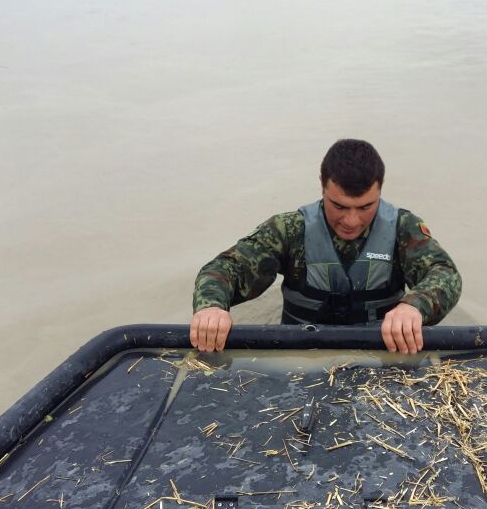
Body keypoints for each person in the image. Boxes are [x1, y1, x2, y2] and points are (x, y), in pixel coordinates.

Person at [189, 139, 461, 354]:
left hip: (381, 353)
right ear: (322, 185)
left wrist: (413, 307)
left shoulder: (404, 228)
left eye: (366, 206)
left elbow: (444, 273)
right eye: (339, 206)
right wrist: (211, 307)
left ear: (380, 189)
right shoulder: (288, 230)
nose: (352, 221)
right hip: (300, 354)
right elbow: (225, 268)